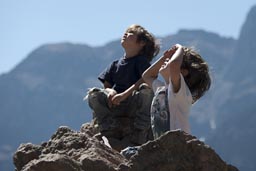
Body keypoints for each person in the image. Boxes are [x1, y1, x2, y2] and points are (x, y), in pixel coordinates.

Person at [86, 24, 160, 147]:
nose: (125, 34)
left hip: (133, 103)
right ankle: (108, 127)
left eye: (131, 33)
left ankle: (140, 129)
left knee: (147, 91)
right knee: (94, 94)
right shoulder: (115, 64)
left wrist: (125, 94)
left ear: (141, 43)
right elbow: (107, 84)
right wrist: (110, 92)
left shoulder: (141, 61)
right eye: (126, 31)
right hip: (115, 103)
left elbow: (146, 80)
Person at [142, 44, 211, 139]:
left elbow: (174, 65)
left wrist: (180, 48)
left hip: (178, 142)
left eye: (170, 59)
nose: (167, 60)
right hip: (165, 143)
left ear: (182, 72)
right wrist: (164, 57)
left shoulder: (180, 92)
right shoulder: (161, 88)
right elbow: (146, 76)